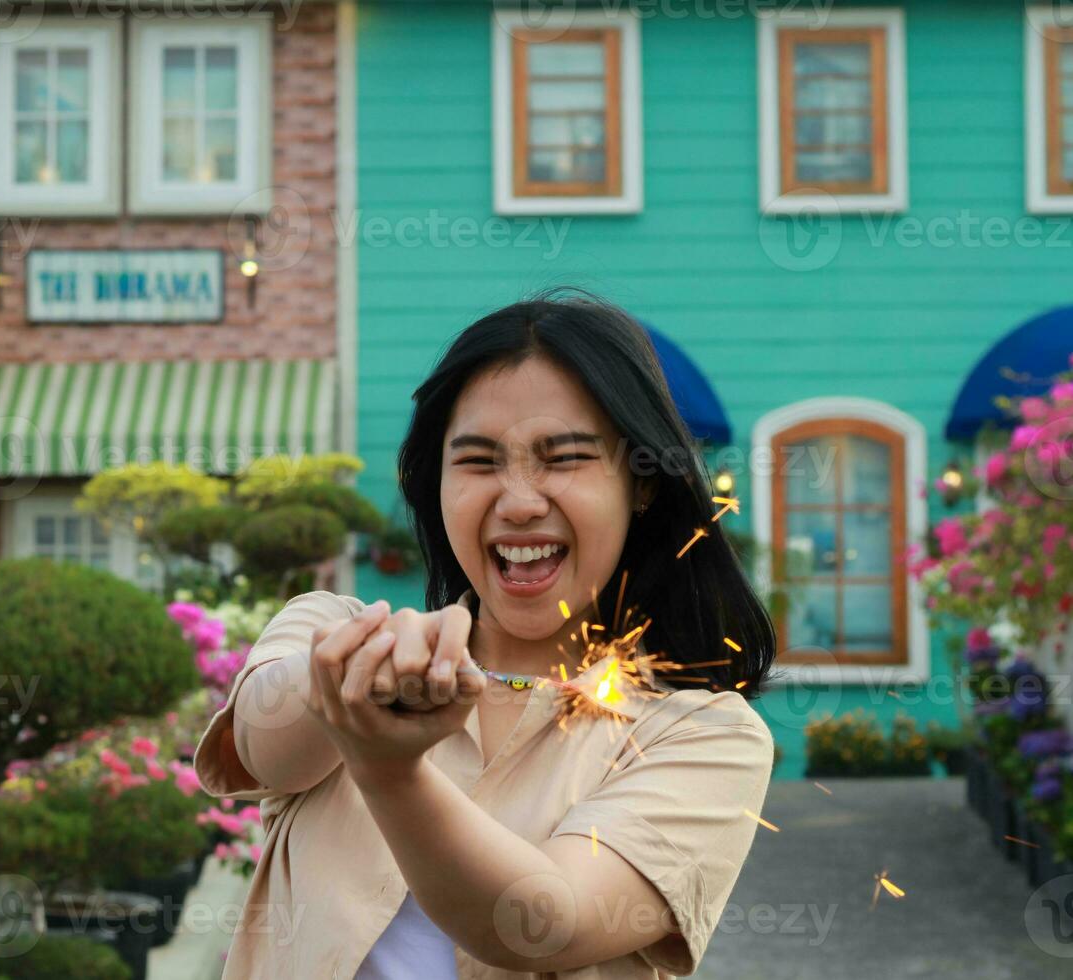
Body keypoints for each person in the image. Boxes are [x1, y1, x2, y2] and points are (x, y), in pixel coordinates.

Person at [193, 292, 778, 979]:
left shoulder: (704, 735)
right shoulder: (331, 632)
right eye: (477, 461)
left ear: (642, 484)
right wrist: (343, 683)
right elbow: (267, 751)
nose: (520, 501)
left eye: (563, 459)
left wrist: (389, 770)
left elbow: (544, 924)